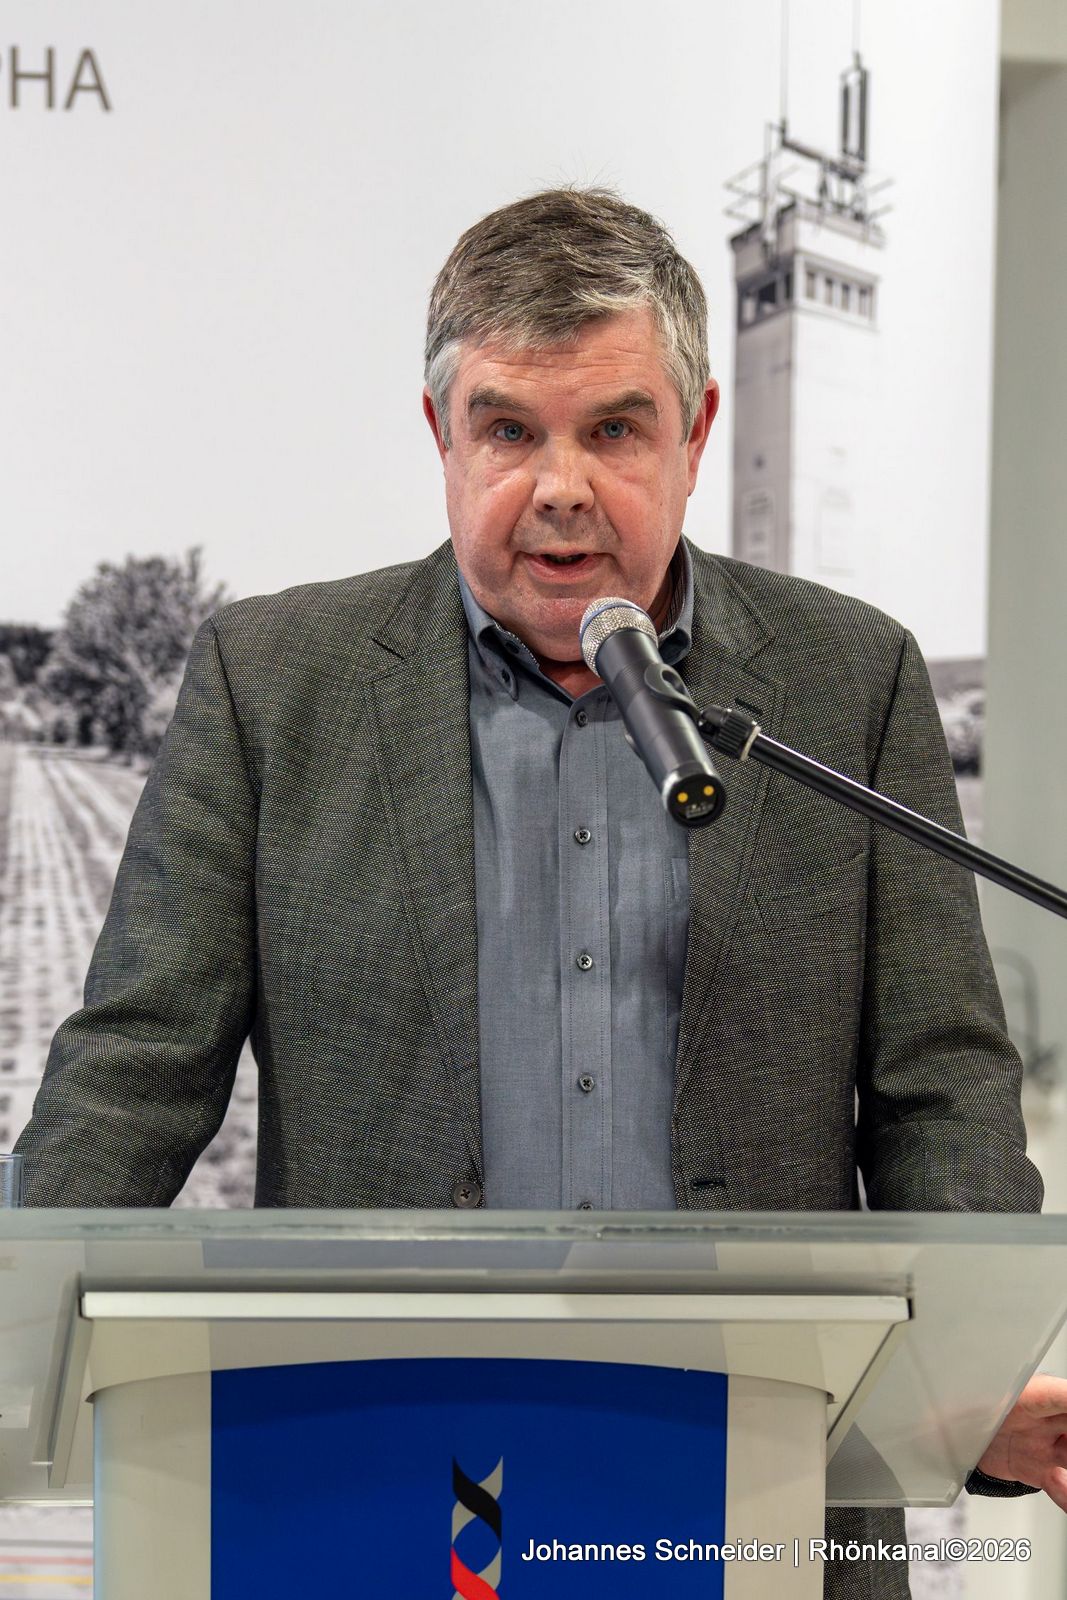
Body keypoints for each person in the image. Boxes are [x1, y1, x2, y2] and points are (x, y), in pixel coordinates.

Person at [14, 188, 1067, 1592]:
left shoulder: (847, 677)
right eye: (510, 430)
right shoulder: (274, 682)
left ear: (695, 435)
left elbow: (939, 1082)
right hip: (372, 1479)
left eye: (615, 429)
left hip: (759, 1481)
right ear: (441, 436)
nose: (561, 486)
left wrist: (976, 1373)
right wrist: (9, 1348)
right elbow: (136, 1069)